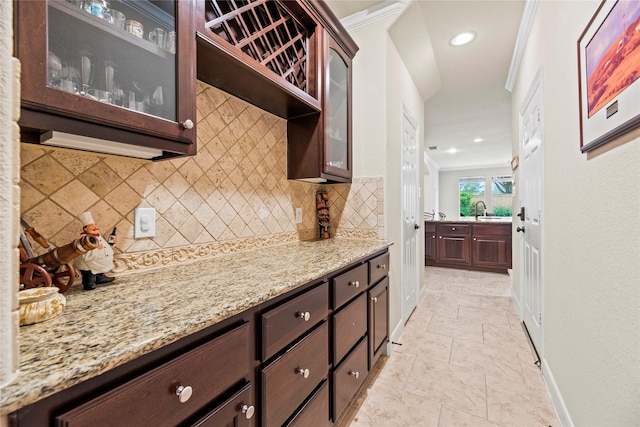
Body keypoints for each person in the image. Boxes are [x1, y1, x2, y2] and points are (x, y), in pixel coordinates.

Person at [74, 211, 115, 290]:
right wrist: (96, 248)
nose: (95, 227)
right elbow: (84, 253)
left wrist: (112, 243)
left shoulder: (98, 236)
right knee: (89, 274)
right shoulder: (84, 239)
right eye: (91, 226)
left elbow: (105, 247)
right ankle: (89, 283)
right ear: (85, 228)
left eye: (95, 225)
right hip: (88, 264)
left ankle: (100, 278)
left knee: (98, 271)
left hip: (97, 263)